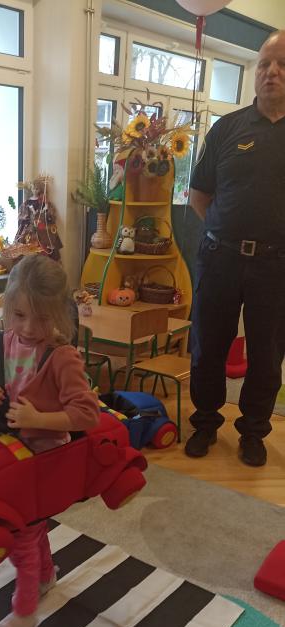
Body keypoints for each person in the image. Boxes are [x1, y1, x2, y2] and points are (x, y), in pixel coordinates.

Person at [0, 254, 100, 627]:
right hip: (5, 457)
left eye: (41, 318)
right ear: (7, 306)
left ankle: (23, 614)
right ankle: (44, 576)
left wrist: (38, 418)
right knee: (30, 529)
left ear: (58, 314)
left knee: (19, 536)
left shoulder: (62, 357)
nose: (28, 328)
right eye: (20, 315)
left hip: (44, 461)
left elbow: (87, 414)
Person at [185, 30, 285, 467]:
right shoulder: (227, 128)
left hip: (276, 265)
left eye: (282, 64)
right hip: (220, 258)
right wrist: (225, 232)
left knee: (267, 355)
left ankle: (253, 432)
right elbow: (199, 194)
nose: (271, 72)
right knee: (207, 346)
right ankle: (205, 423)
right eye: (264, 64)